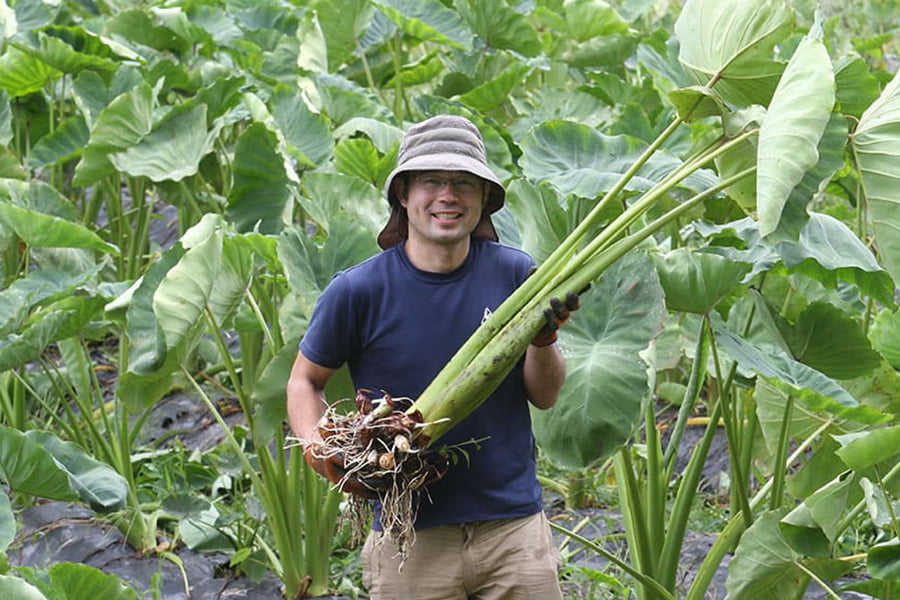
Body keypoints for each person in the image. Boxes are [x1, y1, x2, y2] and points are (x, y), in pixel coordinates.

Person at [286, 114, 580, 600]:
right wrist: (323, 450)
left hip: (512, 528)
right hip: (410, 536)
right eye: (432, 181)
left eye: (464, 183)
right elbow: (304, 381)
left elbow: (545, 397)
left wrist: (543, 340)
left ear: (484, 198)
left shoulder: (516, 275)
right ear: (403, 195)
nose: (448, 195)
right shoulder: (359, 290)